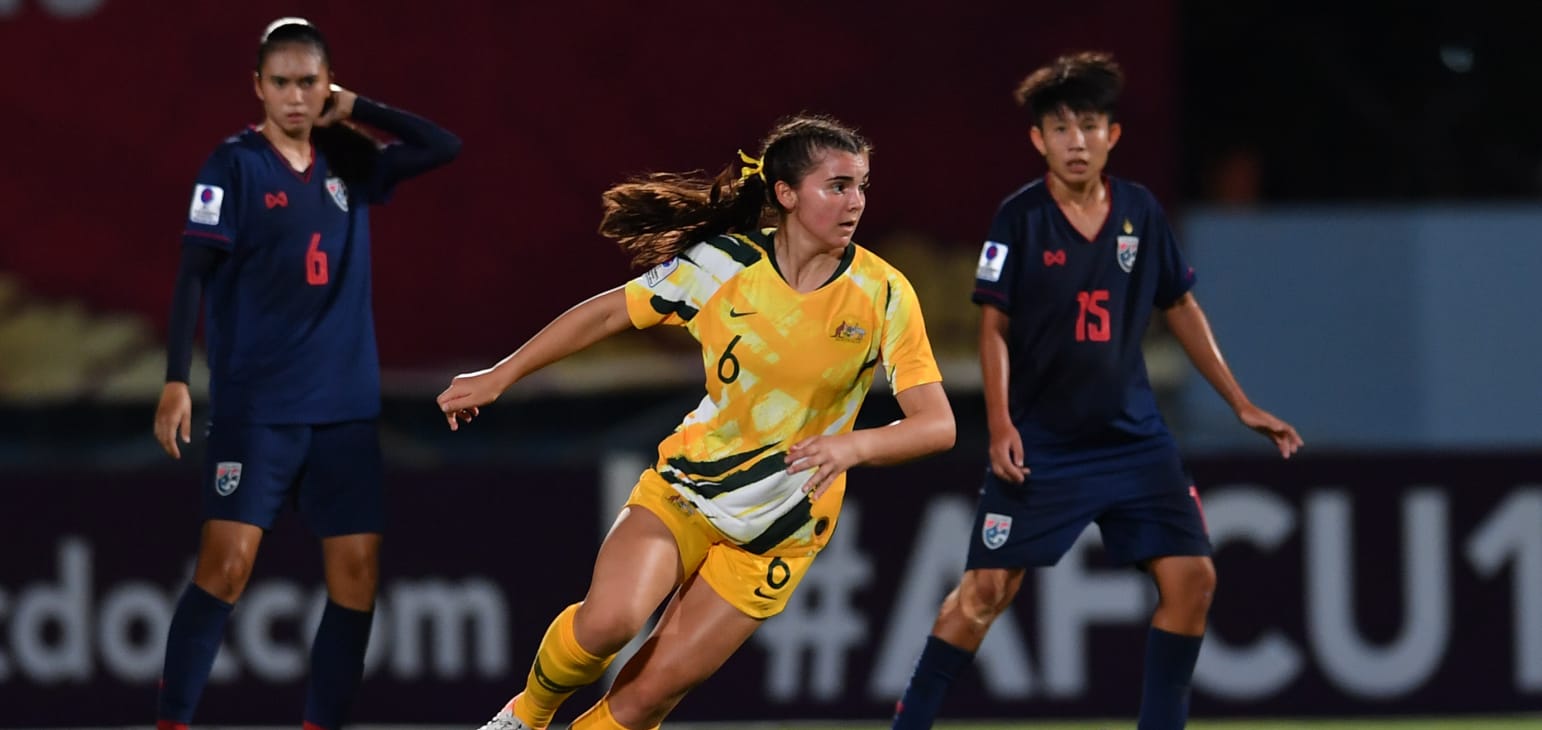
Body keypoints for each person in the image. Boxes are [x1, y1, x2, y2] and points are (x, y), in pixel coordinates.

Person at [436, 114, 956, 730]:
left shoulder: (883, 293)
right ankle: (525, 716)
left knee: (644, 699)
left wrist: (855, 448)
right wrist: (500, 376)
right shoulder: (721, 265)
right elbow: (607, 316)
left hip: (778, 530)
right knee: (610, 622)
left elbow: (937, 424)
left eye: (862, 186)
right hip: (689, 488)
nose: (856, 203)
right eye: (837, 186)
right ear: (786, 194)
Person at [890, 51, 1303, 730]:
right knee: (985, 593)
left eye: (1088, 126)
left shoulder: (1140, 211)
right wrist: (999, 424)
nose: (1074, 142)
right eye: (1059, 129)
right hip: (1045, 442)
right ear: (1037, 141)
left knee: (1192, 583)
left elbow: (1181, 306)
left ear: (1112, 134)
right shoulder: (1019, 220)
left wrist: (1240, 401)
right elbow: (992, 329)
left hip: (1135, 440)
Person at [151, 17, 460, 730]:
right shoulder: (233, 166)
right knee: (224, 571)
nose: (295, 96)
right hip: (257, 409)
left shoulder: (347, 161)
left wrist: (356, 108)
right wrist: (174, 379)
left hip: (344, 413)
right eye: (282, 82)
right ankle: (171, 723)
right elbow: (191, 275)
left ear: (327, 85)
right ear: (258, 87)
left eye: (309, 82)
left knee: (356, 581)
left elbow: (443, 147)